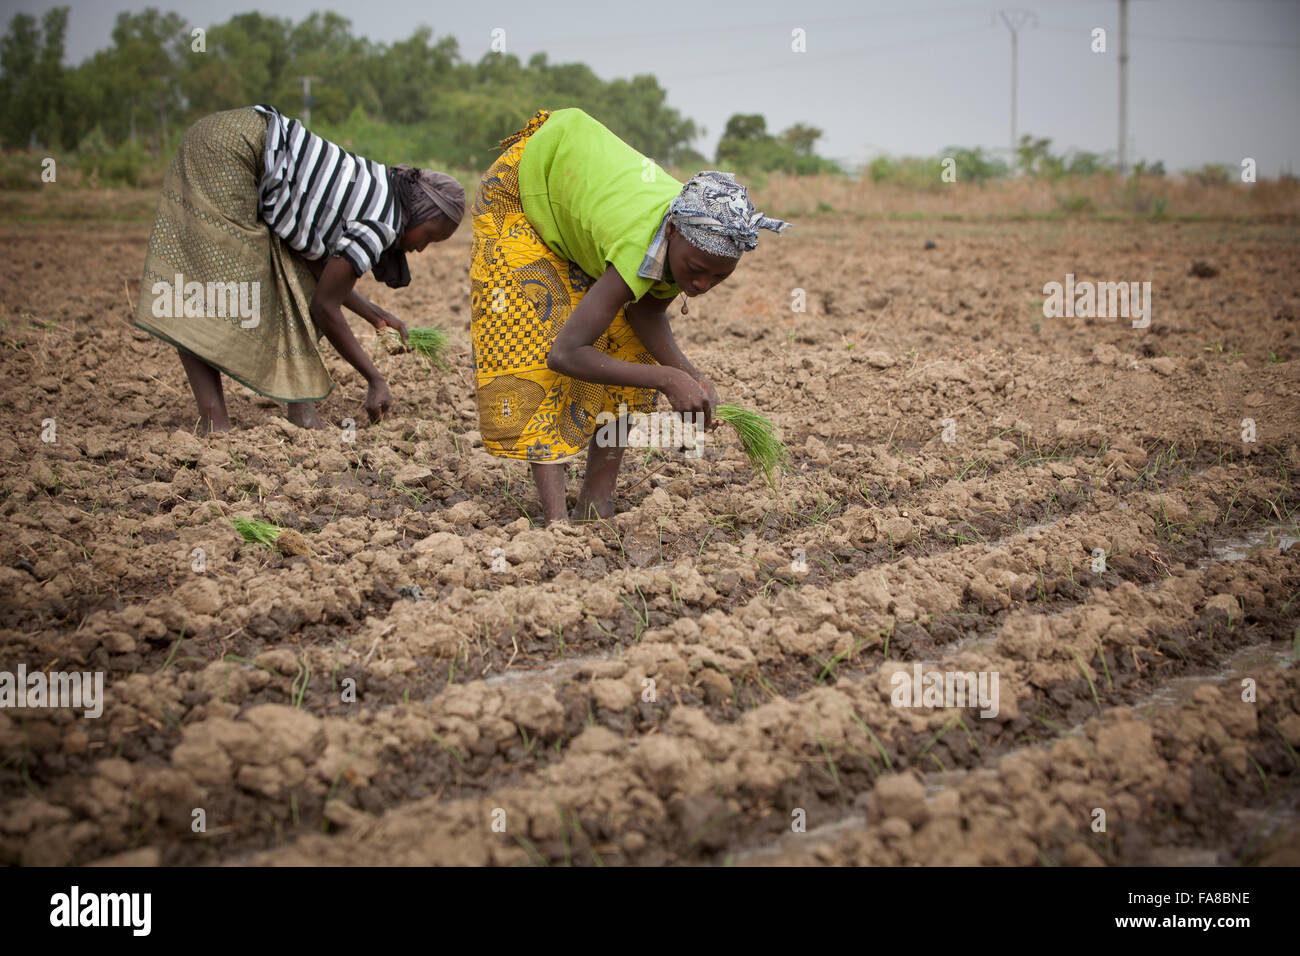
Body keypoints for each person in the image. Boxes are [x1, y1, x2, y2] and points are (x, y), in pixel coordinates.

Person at [469, 108, 789, 523]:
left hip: (581, 202)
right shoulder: (642, 242)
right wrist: (668, 378)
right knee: (538, 340)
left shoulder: (688, 243)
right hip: (525, 189)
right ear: (671, 233)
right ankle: (555, 522)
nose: (703, 285)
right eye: (695, 271)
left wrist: (691, 375)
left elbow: (645, 312)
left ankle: (595, 501)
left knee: (629, 346)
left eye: (719, 277)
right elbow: (565, 354)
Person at [134, 104, 465, 433]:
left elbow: (323, 275)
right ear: (419, 211)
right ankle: (214, 423)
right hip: (232, 150)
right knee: (212, 286)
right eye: (430, 236)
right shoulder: (383, 223)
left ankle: (298, 413)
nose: (422, 247)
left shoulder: (382, 188)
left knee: (290, 280)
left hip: (233, 133)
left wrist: (374, 315)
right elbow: (325, 307)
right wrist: (375, 378)